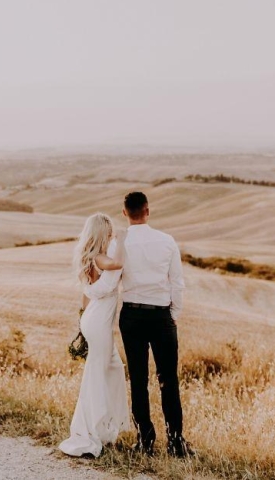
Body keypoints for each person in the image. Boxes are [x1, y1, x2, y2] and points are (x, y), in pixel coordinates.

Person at [86, 191, 190, 458]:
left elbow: (110, 283)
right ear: (148, 210)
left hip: (131, 316)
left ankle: (145, 440)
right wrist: (173, 314)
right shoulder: (167, 241)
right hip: (161, 316)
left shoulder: (118, 245)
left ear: (124, 213)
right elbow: (176, 282)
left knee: (139, 380)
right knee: (169, 380)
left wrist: (87, 292)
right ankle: (176, 442)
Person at [58, 213, 131, 458]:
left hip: (93, 318)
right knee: (97, 374)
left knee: (111, 368)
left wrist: (82, 321)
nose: (111, 235)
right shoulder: (100, 258)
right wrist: (121, 239)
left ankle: (102, 427)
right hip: (98, 322)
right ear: (102, 233)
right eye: (109, 232)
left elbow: (85, 294)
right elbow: (119, 264)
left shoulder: (89, 258)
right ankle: (89, 432)